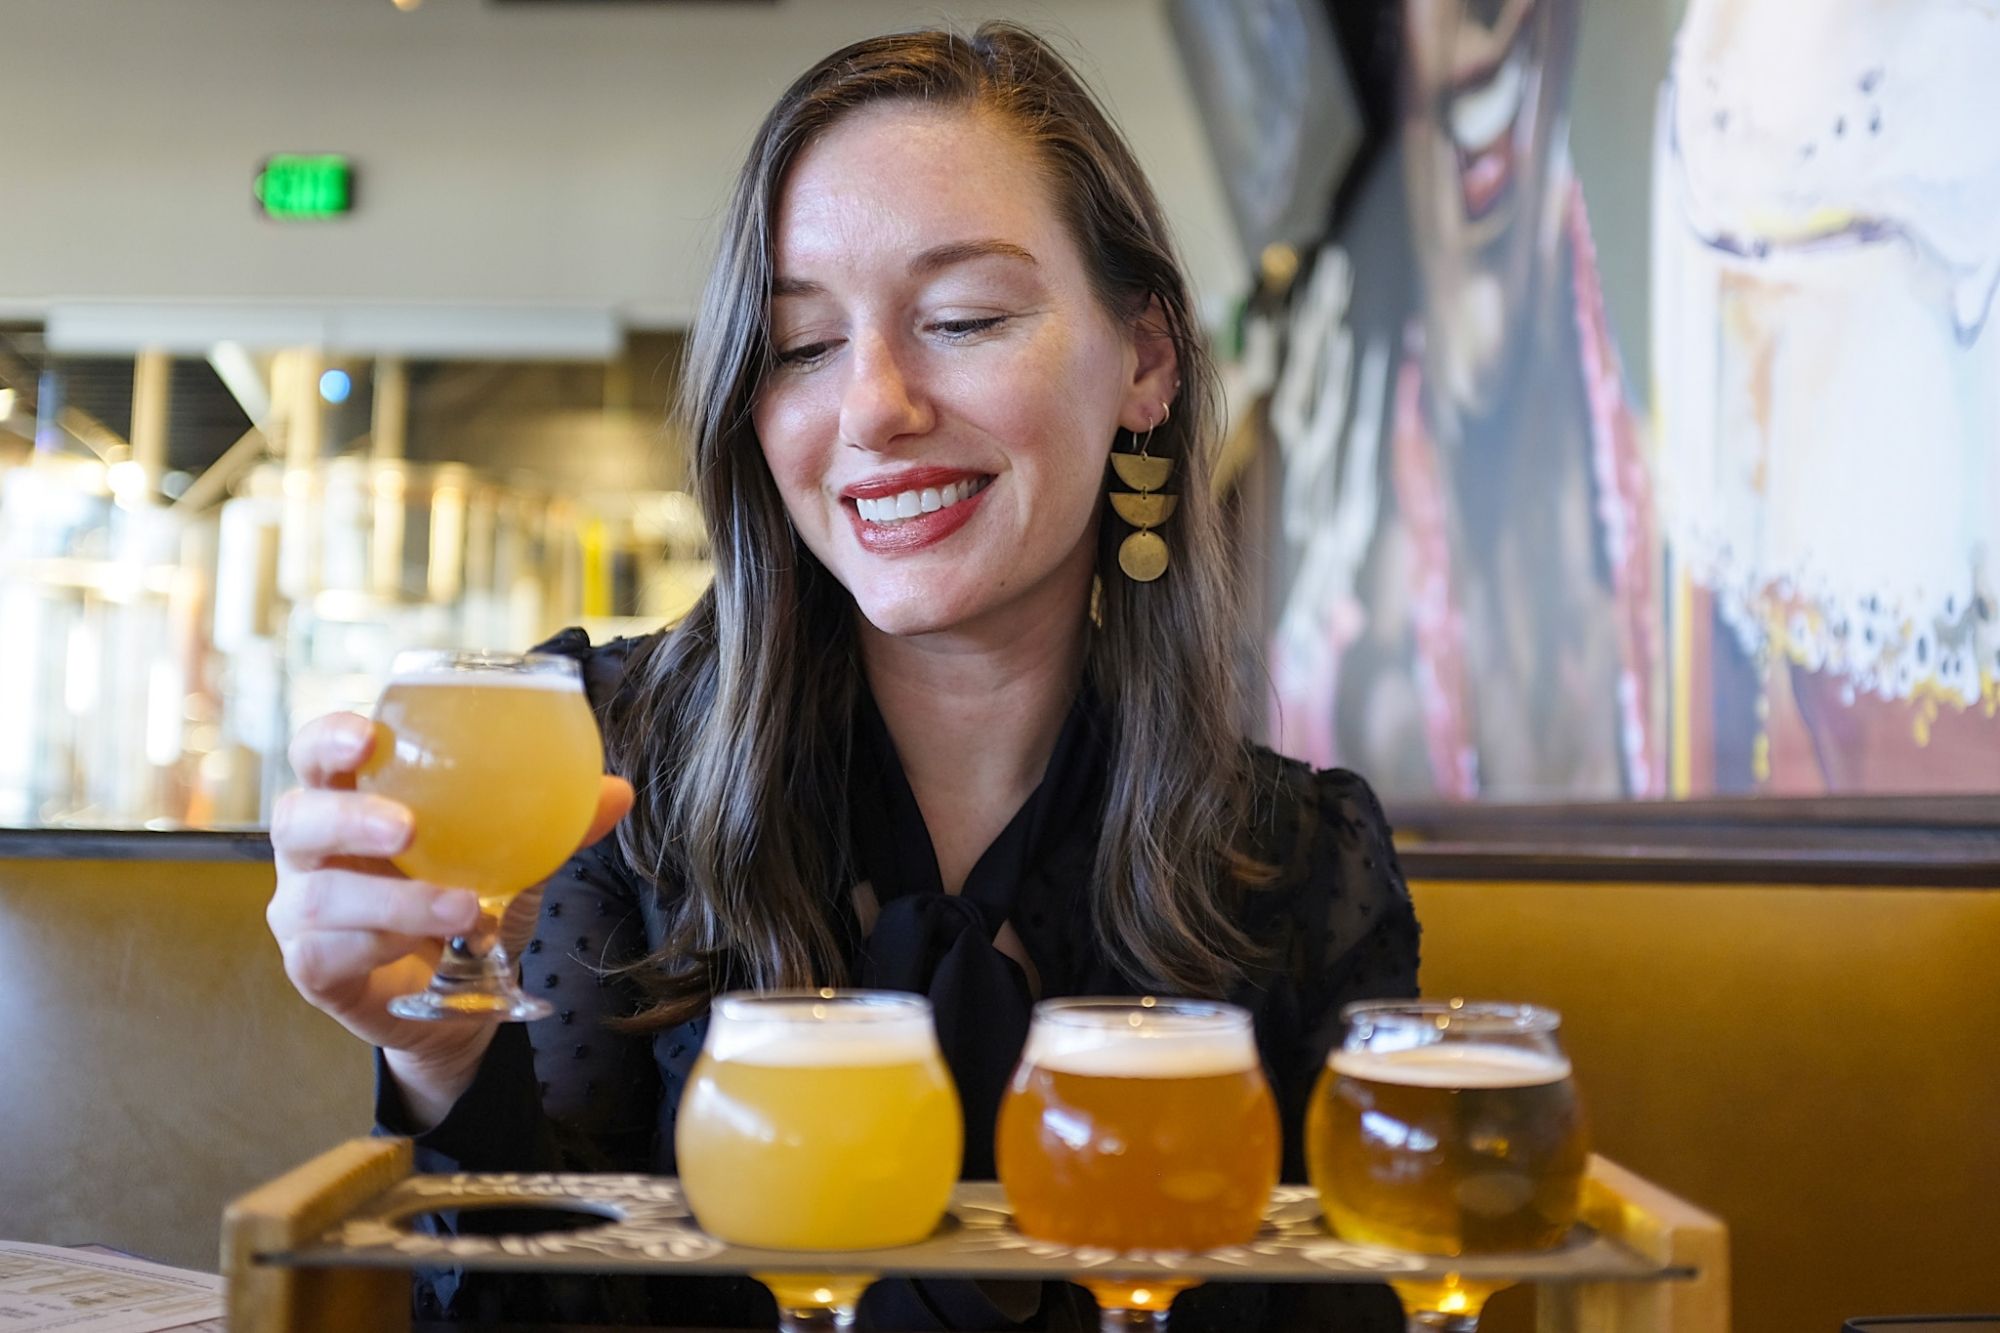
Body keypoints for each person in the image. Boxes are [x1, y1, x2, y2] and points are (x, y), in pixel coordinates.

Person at [266, 24, 1420, 1331]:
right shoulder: (598, 765)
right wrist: (436, 1048)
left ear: (1145, 360)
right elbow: (538, 1304)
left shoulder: (1301, 865)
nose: (874, 405)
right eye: (803, 344)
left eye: (962, 318)